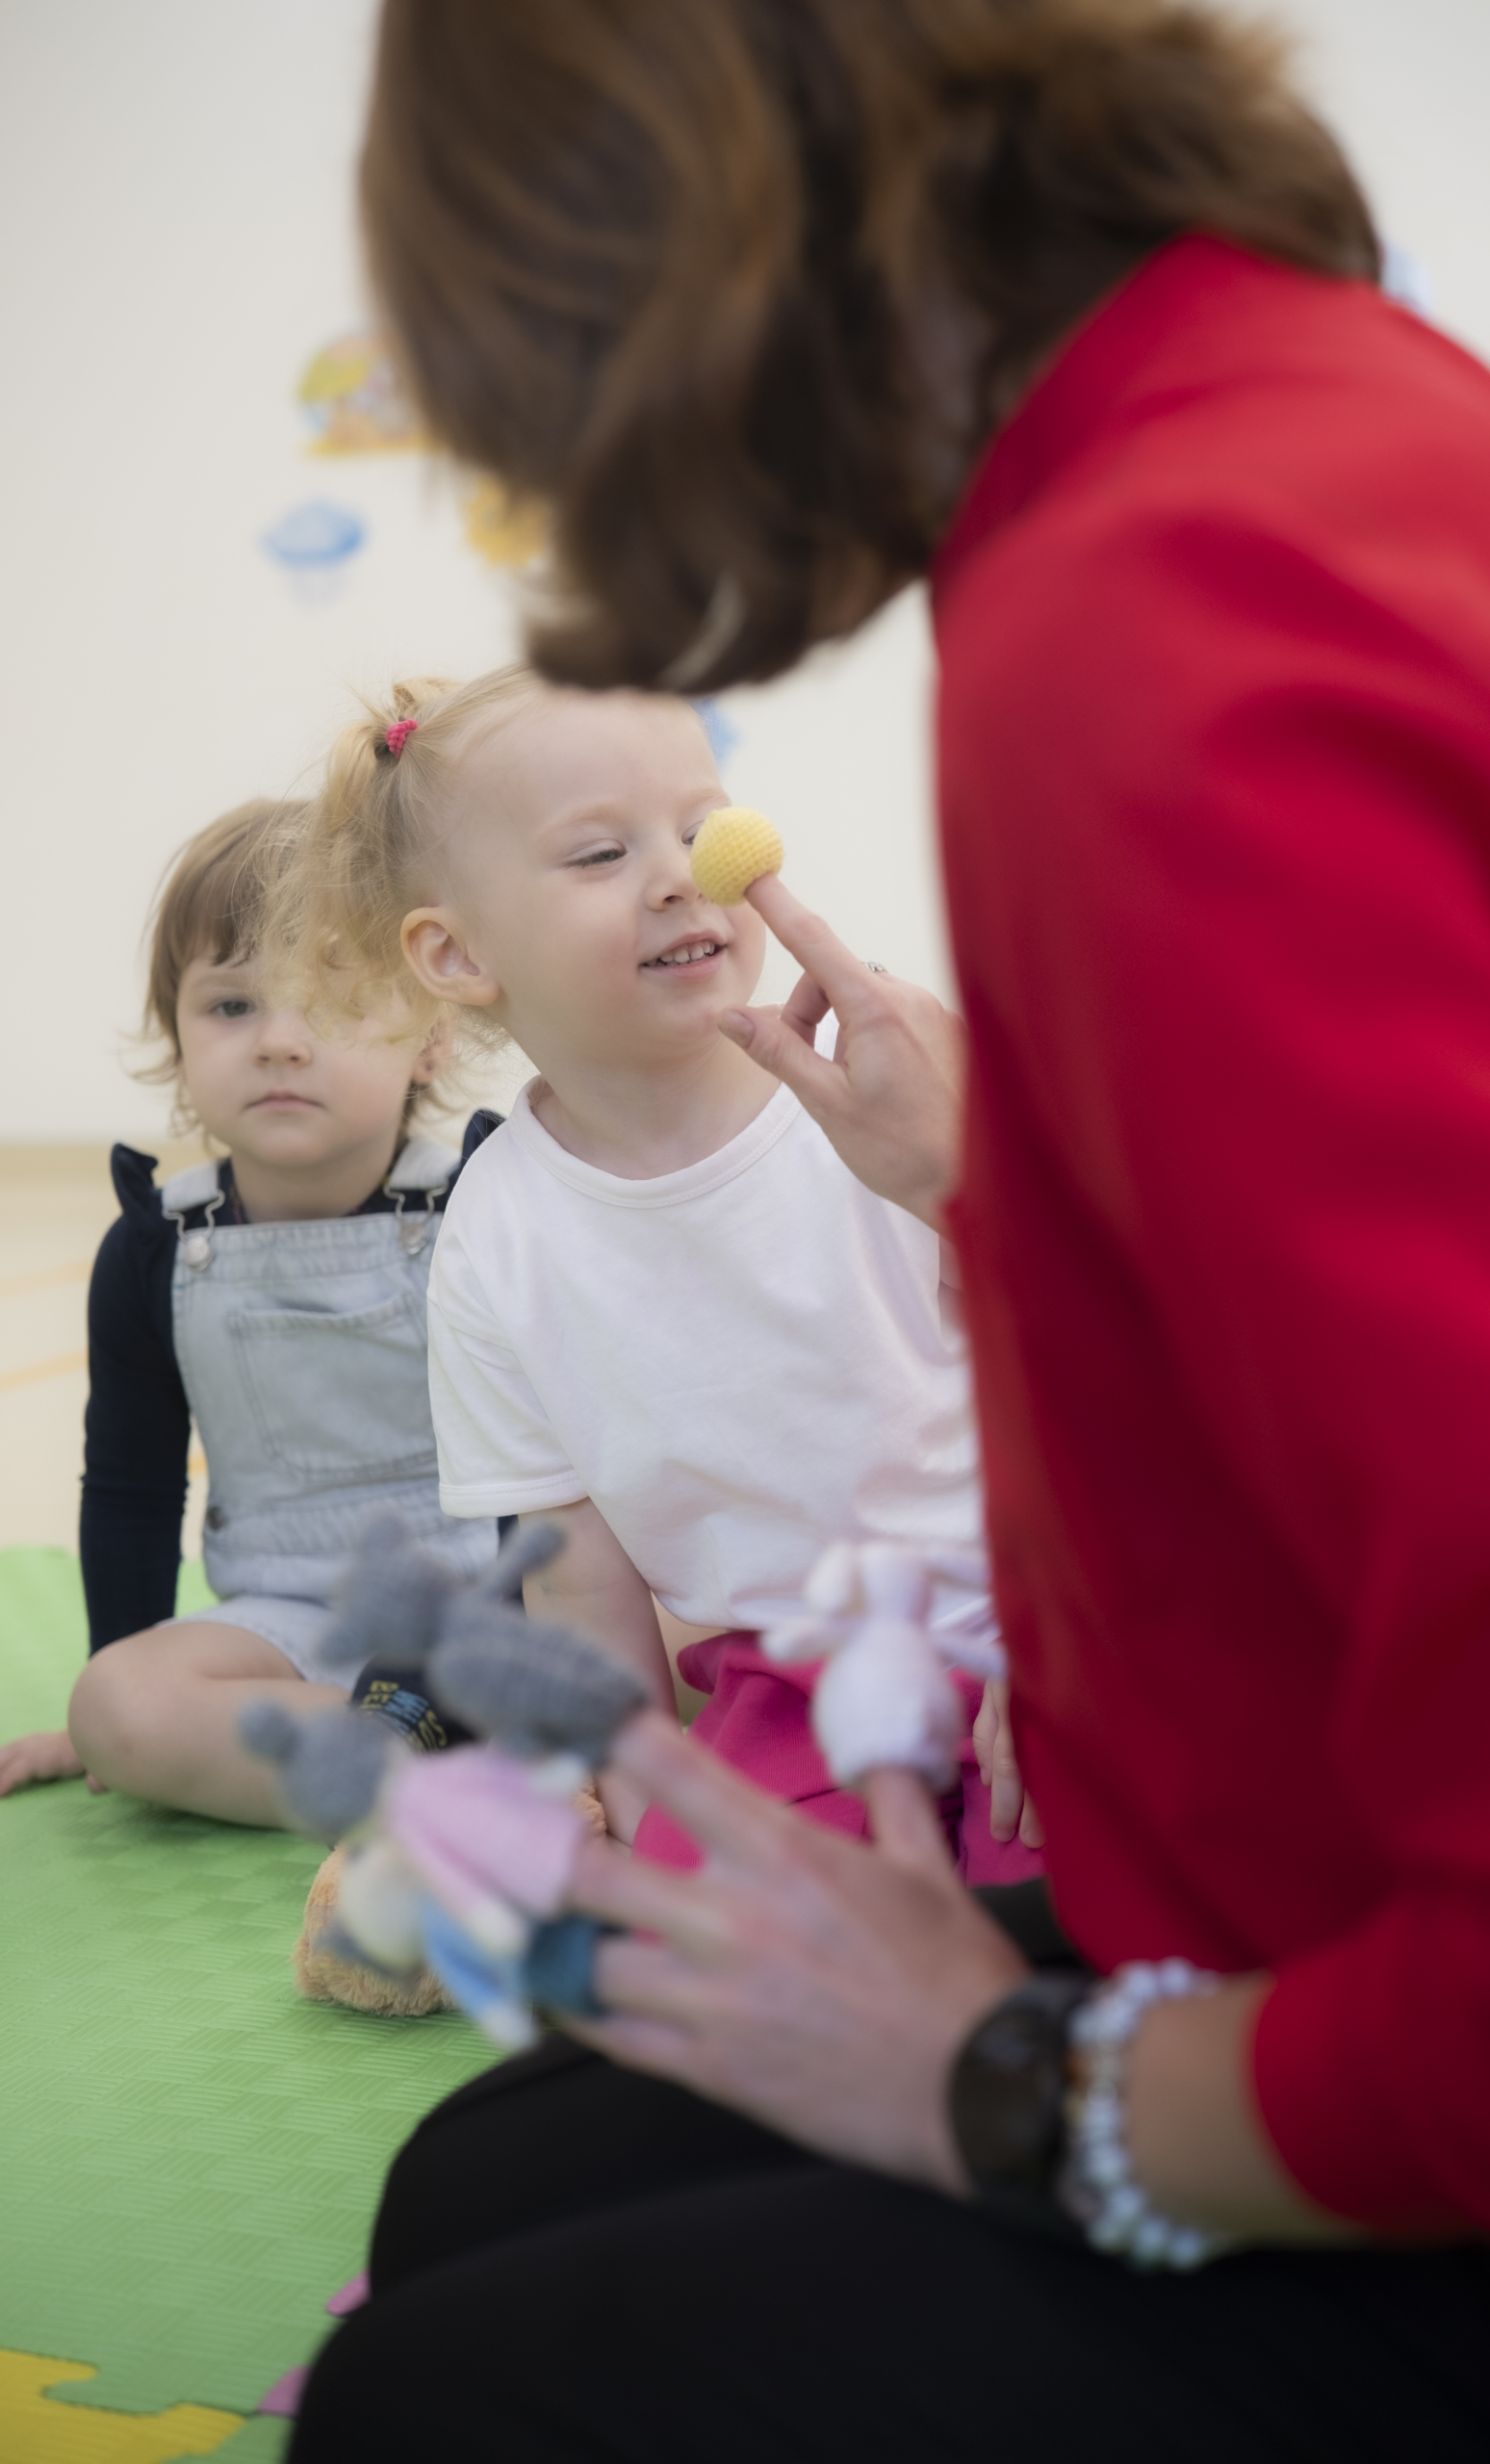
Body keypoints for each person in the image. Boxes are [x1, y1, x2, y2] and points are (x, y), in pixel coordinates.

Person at [293, 0, 1490, 2455]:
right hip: (1293, 1910)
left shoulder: (1139, 618)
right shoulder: (1304, 409)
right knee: (475, 2179)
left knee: (422, 2393)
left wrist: (1009, 2085)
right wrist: (987, 1187)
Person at [276, 665, 1041, 1875]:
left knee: (1094, 1879)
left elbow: (1065, 1372)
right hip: (790, 1690)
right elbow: (580, 1586)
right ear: (457, 954)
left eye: (699, 825)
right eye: (599, 853)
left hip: (1028, 1622)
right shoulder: (493, 1239)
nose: (686, 873)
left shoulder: (876, 1089)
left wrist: (1058, 1627)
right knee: (717, 1900)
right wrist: (642, 1820)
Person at [0, 797, 495, 1825]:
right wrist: (113, 1690)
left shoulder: (485, 1214)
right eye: (231, 1006)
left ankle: (418, 1751)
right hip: (290, 1630)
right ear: (177, 1037)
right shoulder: (153, 1250)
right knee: (120, 1705)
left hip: (491, 1601)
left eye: (333, 1001)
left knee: (687, 1632)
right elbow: (131, 1489)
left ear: (434, 1038)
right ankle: (443, 1767)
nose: (278, 1042)